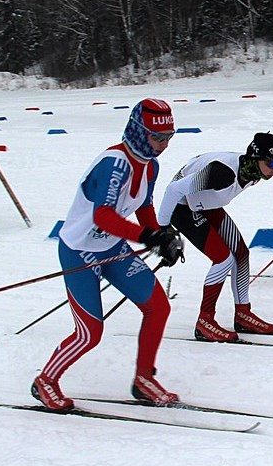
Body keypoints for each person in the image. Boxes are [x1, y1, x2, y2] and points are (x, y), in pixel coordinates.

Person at [31, 98, 186, 413]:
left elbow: (143, 206)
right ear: (139, 132)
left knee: (157, 307)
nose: (163, 145)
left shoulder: (150, 165)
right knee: (90, 333)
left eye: (169, 137)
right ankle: (46, 380)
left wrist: (161, 236)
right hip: (79, 251)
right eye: (157, 137)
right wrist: (148, 237)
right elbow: (103, 216)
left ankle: (144, 380)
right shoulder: (115, 163)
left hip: (113, 247)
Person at [157, 132, 273, 342]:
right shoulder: (222, 173)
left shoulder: (252, 171)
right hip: (183, 208)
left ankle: (243, 313)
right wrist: (163, 229)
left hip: (207, 204)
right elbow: (173, 189)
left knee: (241, 253)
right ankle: (205, 320)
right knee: (223, 259)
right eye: (272, 163)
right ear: (256, 158)